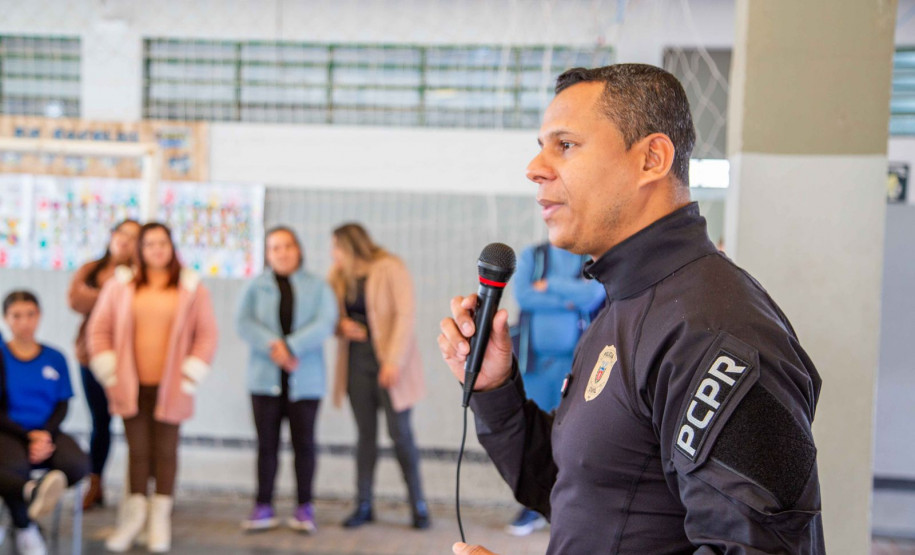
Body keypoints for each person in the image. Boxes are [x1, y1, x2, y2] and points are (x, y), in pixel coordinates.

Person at [438, 64, 824, 554]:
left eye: (566, 145)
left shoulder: (713, 327)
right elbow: (582, 489)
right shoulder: (625, 303)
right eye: (541, 146)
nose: (535, 167)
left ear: (651, 159)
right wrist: (495, 388)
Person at [88, 222, 218, 553]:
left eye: (163, 243)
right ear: (140, 250)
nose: (157, 250)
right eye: (150, 244)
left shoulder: (191, 287)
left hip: (172, 386)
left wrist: (190, 375)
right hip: (132, 384)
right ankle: (132, 520)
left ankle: (159, 521)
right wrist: (110, 371)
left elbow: (206, 335)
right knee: (138, 451)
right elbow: (98, 330)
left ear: (172, 247)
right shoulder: (120, 286)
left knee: (166, 452)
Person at [328, 223, 430, 530]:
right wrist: (340, 327)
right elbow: (329, 317)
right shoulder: (337, 276)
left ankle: (418, 505)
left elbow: (405, 314)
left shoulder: (390, 267)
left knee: (401, 435)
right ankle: (364, 504)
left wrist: (393, 361)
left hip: (390, 363)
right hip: (356, 363)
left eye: (336, 247)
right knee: (365, 437)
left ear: (350, 246)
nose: (332, 254)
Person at [236, 226, 338, 533]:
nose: (282, 252)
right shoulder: (255, 287)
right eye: (275, 247)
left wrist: (291, 346)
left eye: (288, 246)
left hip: (305, 381)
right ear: (267, 254)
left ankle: (304, 507)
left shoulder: (318, 286)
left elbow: (325, 322)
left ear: (299, 249)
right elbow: (243, 323)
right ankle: (263, 505)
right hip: (264, 380)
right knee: (266, 445)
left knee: (304, 445)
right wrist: (275, 347)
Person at [505, 242, 604, 536]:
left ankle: (569, 508)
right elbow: (522, 295)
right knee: (533, 435)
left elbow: (593, 295)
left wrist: (548, 285)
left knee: (571, 436)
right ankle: (533, 507)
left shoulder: (591, 256)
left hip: (575, 368)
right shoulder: (532, 256)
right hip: (533, 366)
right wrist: (569, 297)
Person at [0, 290, 89, 555]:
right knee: (12, 467)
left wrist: (43, 435)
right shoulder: (1, 357)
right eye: (17, 316)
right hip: (9, 430)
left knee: (77, 464)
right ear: (6, 319)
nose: (24, 322)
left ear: (39, 317)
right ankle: (25, 524)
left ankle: (33, 497)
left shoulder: (55, 357)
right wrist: (29, 437)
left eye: (30, 314)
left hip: (47, 429)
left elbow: (63, 403)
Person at [67, 218, 141, 510]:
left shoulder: (142, 274)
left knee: (136, 425)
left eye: (134, 236)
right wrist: (114, 294)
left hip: (131, 361)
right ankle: (94, 483)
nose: (125, 240)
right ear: (112, 235)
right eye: (122, 233)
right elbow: (75, 299)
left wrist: (105, 298)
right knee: (100, 423)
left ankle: (139, 492)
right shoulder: (92, 269)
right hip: (92, 357)